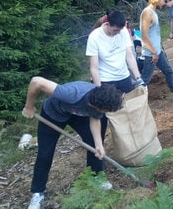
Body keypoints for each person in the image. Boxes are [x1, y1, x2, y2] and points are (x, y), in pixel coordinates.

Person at [22, 76, 124, 209]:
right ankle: (37, 192)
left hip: (77, 115)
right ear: (94, 104)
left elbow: (96, 119)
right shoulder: (71, 93)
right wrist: (29, 107)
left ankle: (96, 177)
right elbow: (36, 81)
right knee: (45, 153)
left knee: (94, 145)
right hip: (53, 114)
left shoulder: (101, 100)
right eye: (104, 111)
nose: (103, 112)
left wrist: (99, 145)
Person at [86, 9, 143, 142]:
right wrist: (99, 88)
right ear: (108, 24)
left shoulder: (122, 32)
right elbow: (93, 67)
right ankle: (98, 148)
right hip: (105, 81)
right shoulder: (95, 37)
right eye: (115, 30)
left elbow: (129, 56)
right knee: (103, 118)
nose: (117, 33)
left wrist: (138, 77)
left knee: (129, 111)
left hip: (123, 78)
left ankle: (134, 141)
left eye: (119, 30)